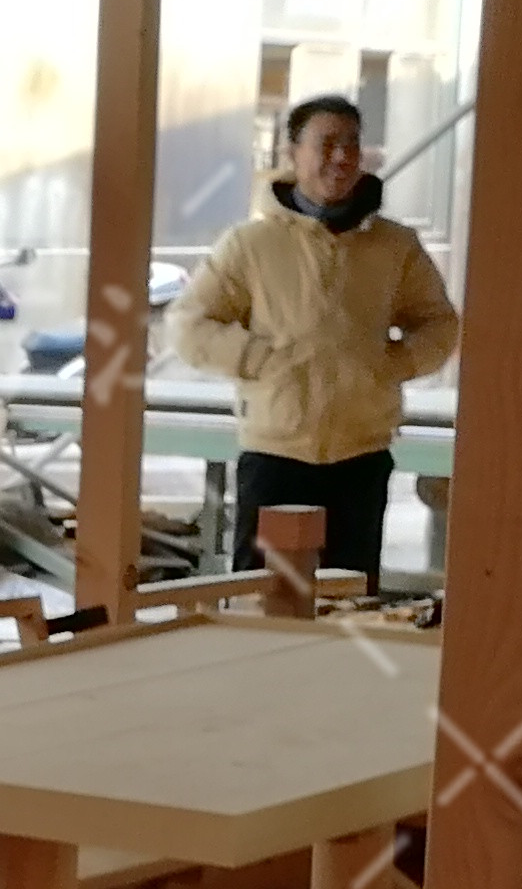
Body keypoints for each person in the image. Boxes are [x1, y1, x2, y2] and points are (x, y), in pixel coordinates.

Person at [168, 94, 459, 588]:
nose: (341, 157)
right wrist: (261, 361)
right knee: (263, 596)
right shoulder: (251, 245)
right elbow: (188, 324)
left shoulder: (395, 246)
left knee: (349, 596)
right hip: (275, 451)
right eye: (326, 144)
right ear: (293, 153)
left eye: (352, 145)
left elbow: (440, 324)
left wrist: (390, 365)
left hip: (361, 455)